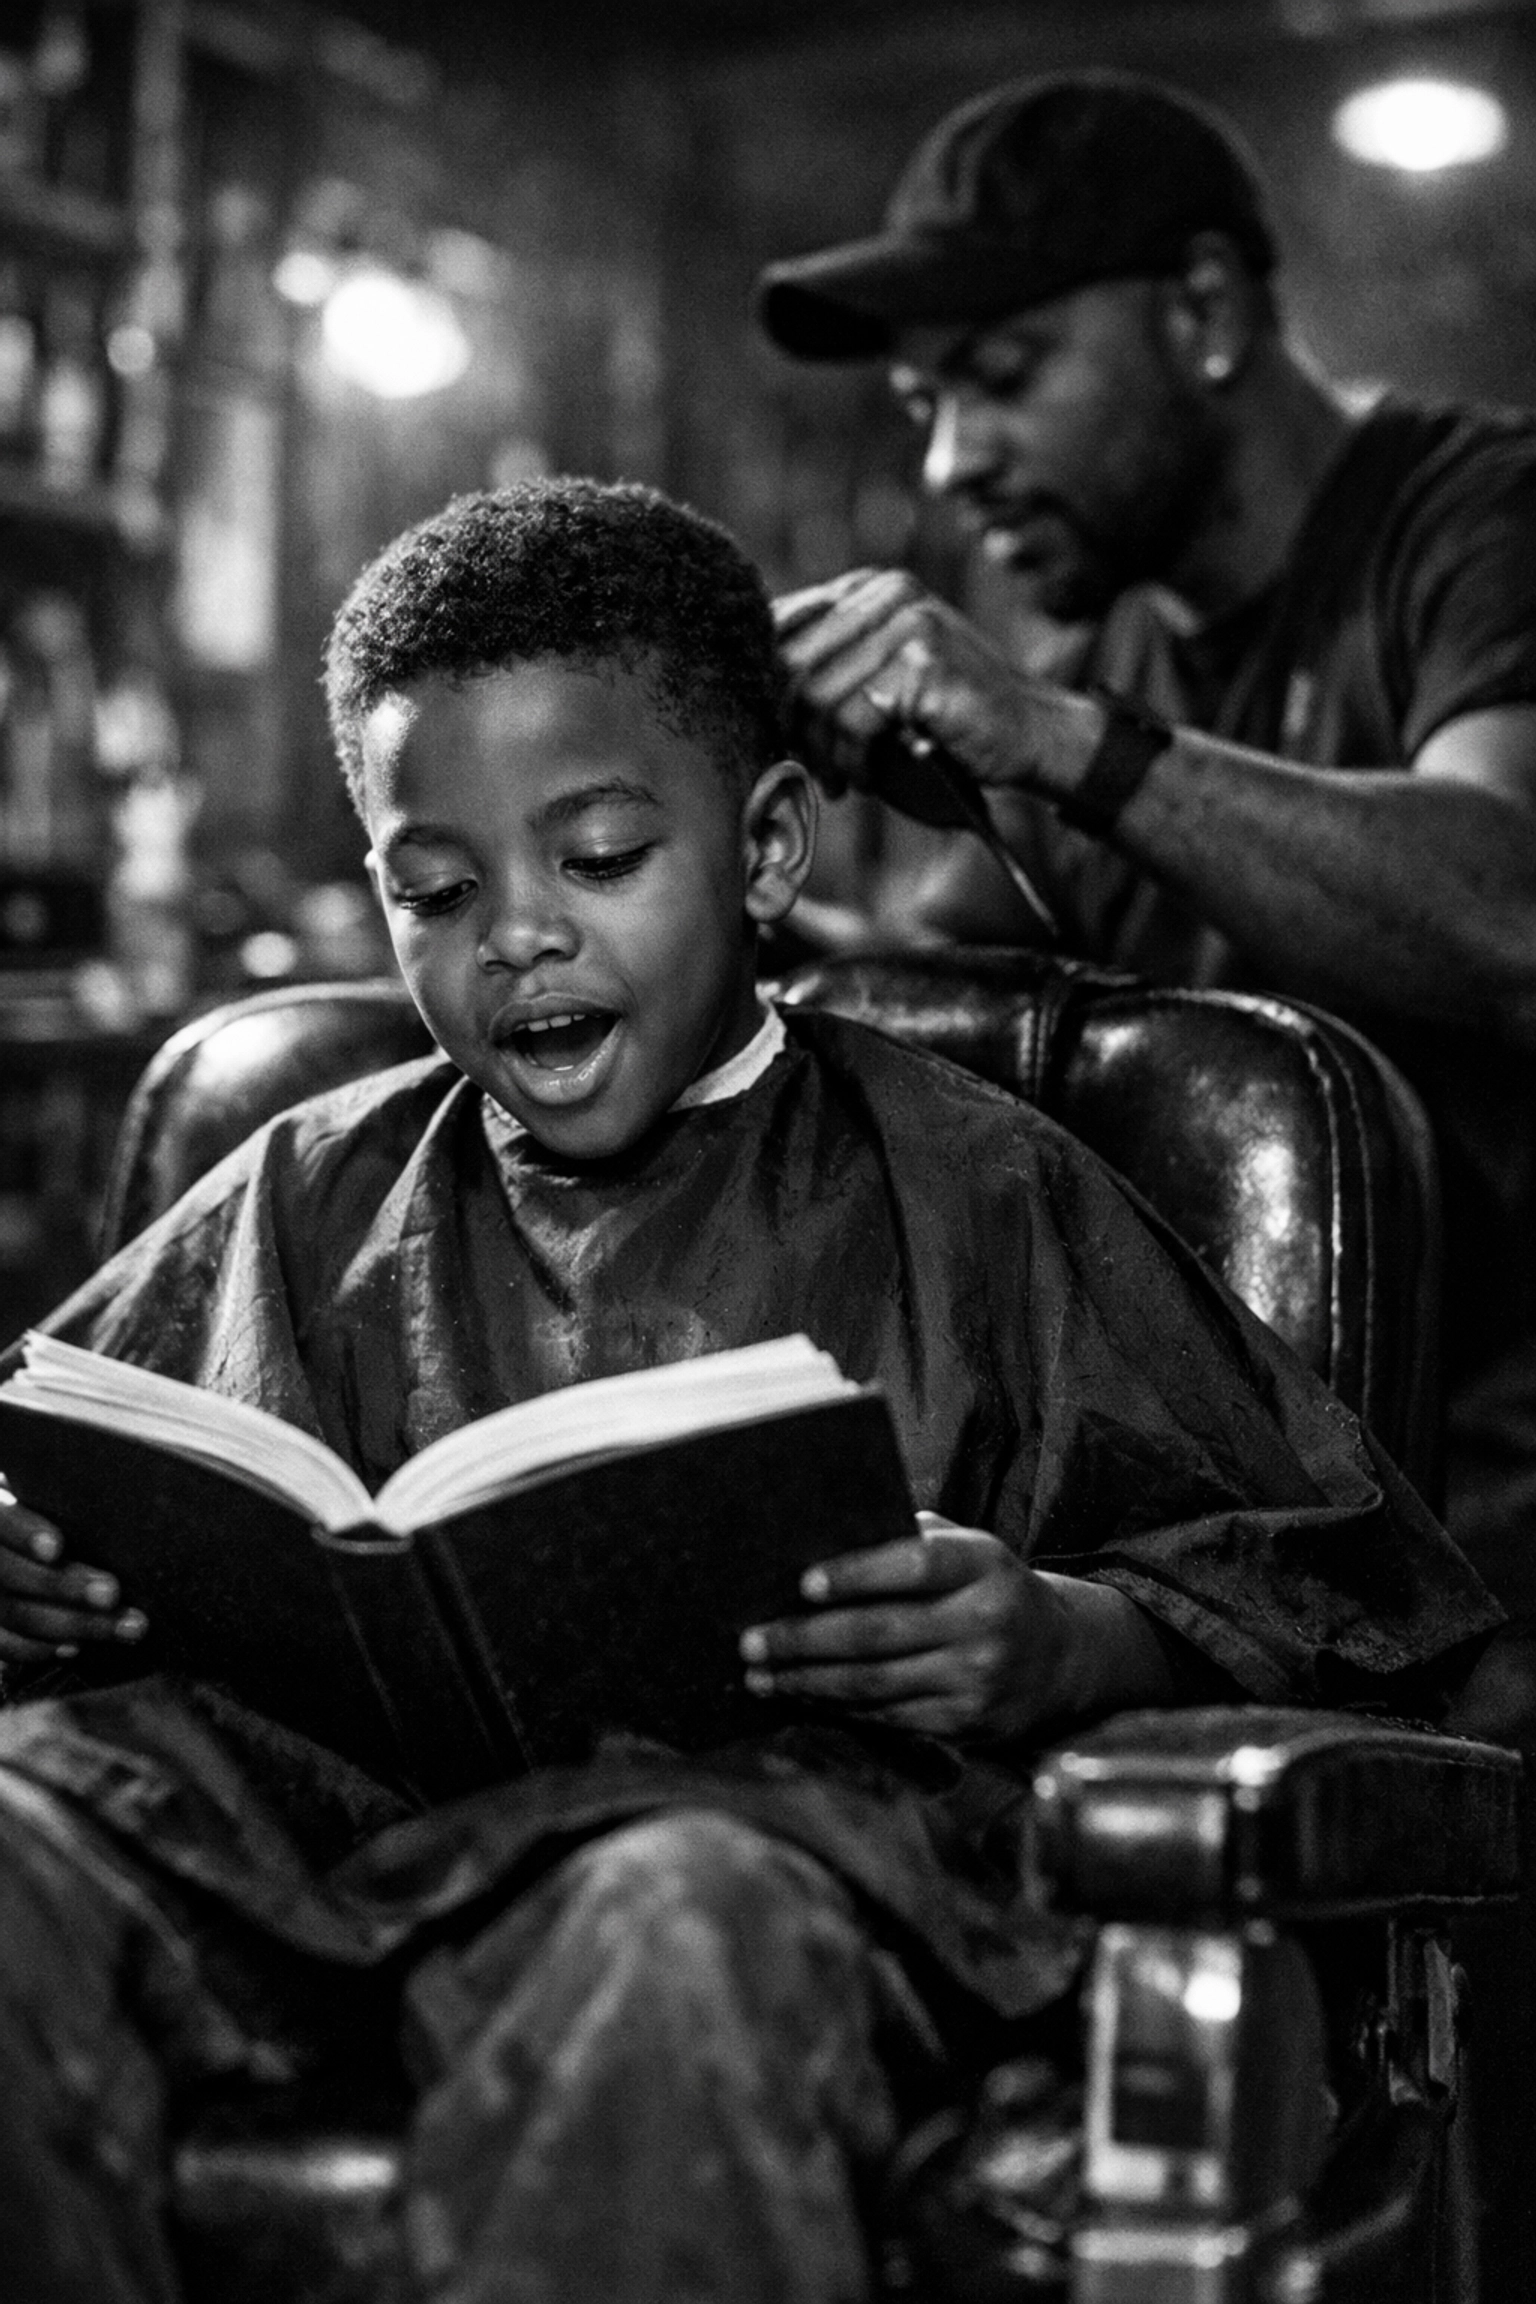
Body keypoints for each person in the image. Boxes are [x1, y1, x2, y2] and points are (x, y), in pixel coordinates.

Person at [0, 479, 1502, 2304]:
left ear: (770, 848)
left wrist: (1060, 1638)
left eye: (601, 859)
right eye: (436, 889)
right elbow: (57, 1443)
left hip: (762, 1859)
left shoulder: (972, 1183)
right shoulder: (306, 1182)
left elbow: (1344, 1590)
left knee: (669, 1915)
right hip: (309, 1850)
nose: (519, 938)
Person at [757, 71, 1536, 1613]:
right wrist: (727, 885)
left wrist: (1058, 740)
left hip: (1495, 1522)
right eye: (927, 407)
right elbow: (950, 999)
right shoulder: (1107, 644)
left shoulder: (1476, 517)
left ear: (1203, 310)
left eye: (1001, 374)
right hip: (1262, 1516)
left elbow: (1513, 912)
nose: (951, 466)